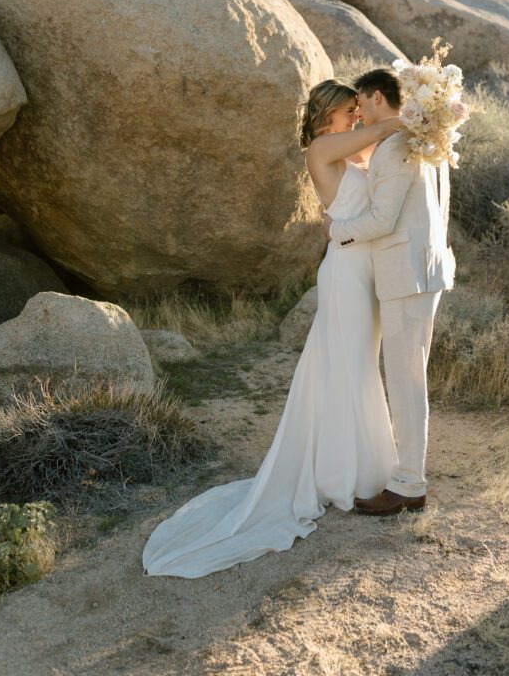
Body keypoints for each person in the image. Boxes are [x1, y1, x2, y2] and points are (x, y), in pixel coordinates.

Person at [141, 78, 404, 578]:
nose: (356, 117)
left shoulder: (353, 153)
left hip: (366, 271)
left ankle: (358, 466)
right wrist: (416, 116)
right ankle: (344, 475)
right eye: (351, 109)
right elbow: (384, 131)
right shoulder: (323, 149)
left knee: (358, 367)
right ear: (329, 112)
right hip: (346, 274)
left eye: (357, 110)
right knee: (348, 367)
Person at [322, 67, 456, 516]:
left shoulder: (397, 146)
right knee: (407, 377)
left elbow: (382, 219)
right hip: (423, 270)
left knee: (405, 381)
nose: (358, 115)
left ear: (377, 97)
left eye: (360, 104)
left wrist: (336, 231)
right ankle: (407, 477)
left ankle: (408, 485)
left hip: (406, 275)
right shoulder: (426, 142)